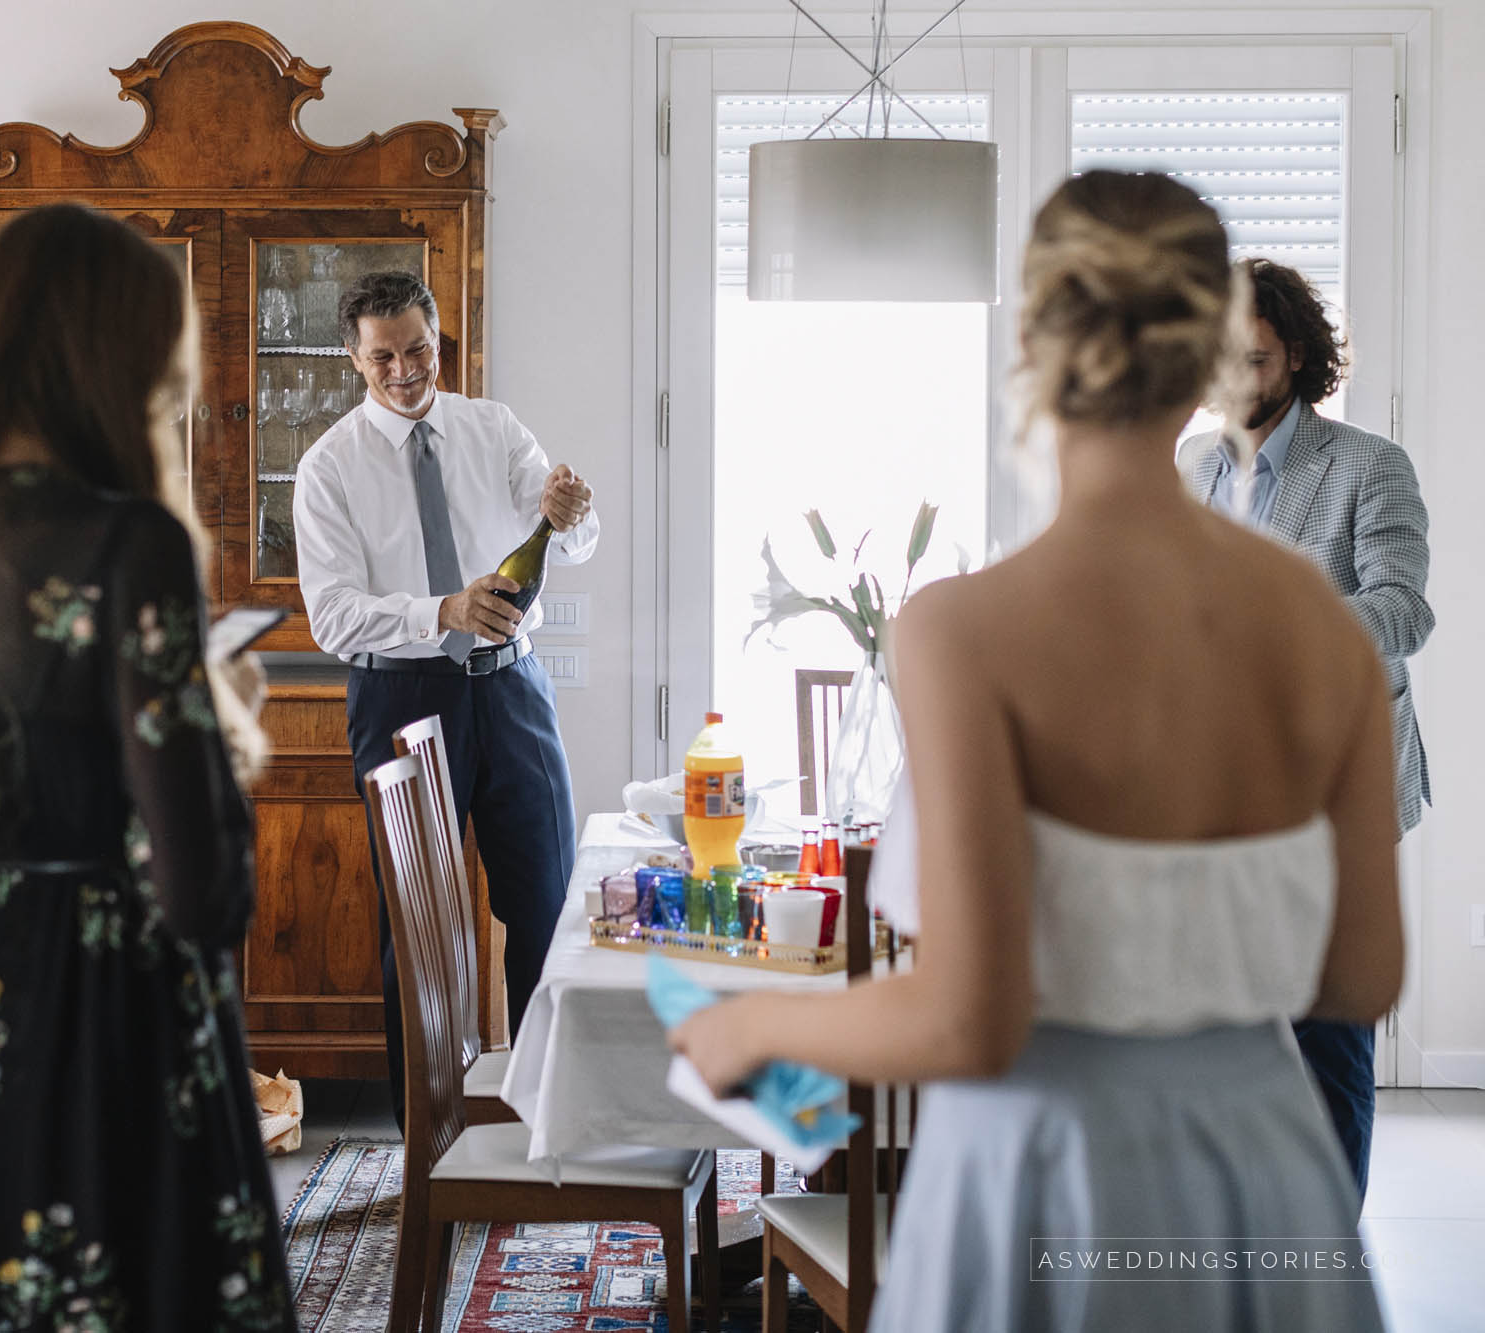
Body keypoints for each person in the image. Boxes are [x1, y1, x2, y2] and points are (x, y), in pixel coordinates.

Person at [670, 172, 1398, 1331]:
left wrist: (747, 1027)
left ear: (1034, 343)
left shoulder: (962, 630)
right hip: (1263, 1179)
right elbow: (1361, 979)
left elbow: (970, 1015)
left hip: (1041, 1173)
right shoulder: (1317, 625)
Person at [0, 204, 293, 1331]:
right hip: (116, 1021)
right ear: (113, 361)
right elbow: (202, 889)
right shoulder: (131, 542)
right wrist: (222, 725)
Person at [292, 271, 597, 1116]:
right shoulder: (328, 468)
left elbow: (568, 539)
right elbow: (332, 615)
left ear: (439, 341)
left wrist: (569, 512)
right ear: (354, 357)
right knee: (417, 932)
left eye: (419, 349)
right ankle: (425, 1138)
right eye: (383, 356)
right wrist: (444, 610)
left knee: (544, 902)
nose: (404, 370)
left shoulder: (492, 428)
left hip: (513, 691)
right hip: (399, 702)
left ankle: (547, 1112)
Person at [1178, 257, 1432, 1201]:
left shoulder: (1370, 465)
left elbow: (1404, 611)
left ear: (1297, 356)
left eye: (1256, 359)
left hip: (1336, 786)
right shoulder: (1190, 466)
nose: (1235, 383)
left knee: (1327, 1032)